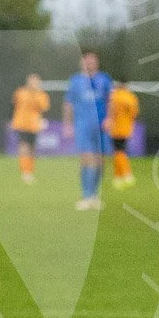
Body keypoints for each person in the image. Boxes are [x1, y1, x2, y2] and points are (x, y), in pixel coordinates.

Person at [63, 51, 112, 209]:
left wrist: (110, 118)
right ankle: (86, 196)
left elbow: (110, 101)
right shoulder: (75, 81)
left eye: (92, 60)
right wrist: (68, 124)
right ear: (82, 62)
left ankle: (95, 195)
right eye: (87, 60)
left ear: (97, 62)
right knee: (86, 159)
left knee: (100, 161)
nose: (89, 63)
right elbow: (68, 104)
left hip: (101, 127)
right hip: (83, 126)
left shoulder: (104, 79)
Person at [9, 73, 49, 184]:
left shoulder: (42, 95)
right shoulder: (20, 92)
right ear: (27, 81)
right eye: (32, 81)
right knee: (24, 146)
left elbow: (44, 108)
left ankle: (30, 171)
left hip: (34, 125)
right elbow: (12, 106)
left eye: (36, 81)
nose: (33, 83)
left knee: (32, 149)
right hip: (21, 123)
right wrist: (11, 119)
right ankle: (24, 172)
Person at [105, 79, 140, 189]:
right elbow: (134, 113)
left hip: (115, 128)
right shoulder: (131, 97)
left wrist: (109, 120)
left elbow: (111, 110)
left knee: (118, 151)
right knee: (120, 150)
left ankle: (126, 174)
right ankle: (118, 176)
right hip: (126, 127)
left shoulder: (114, 96)